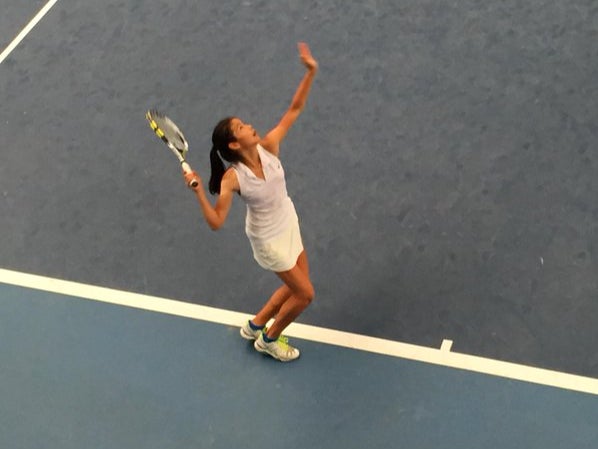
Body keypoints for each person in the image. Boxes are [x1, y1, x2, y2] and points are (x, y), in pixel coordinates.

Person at [183, 42, 318, 362]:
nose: (250, 126)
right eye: (242, 127)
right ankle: (269, 339)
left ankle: (257, 324)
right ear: (234, 142)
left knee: (298, 285)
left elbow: (294, 109)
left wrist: (310, 71)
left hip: (288, 220)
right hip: (268, 240)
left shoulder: (269, 146)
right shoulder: (233, 178)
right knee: (305, 295)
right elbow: (217, 222)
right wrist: (200, 192)